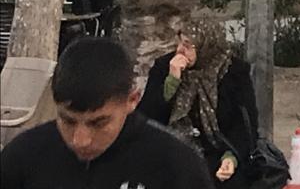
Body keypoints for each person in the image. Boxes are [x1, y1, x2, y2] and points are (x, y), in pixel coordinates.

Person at [0, 36, 213, 188]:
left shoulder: (176, 165)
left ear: (132, 100)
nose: (80, 140)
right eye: (68, 121)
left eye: (98, 123)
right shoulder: (22, 157)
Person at [137, 13, 259, 186]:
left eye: (188, 46)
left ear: (206, 46)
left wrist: (231, 157)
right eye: (180, 42)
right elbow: (146, 118)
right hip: (174, 150)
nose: (180, 50)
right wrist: (171, 83)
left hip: (218, 151)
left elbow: (245, 124)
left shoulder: (234, 72)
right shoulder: (164, 67)